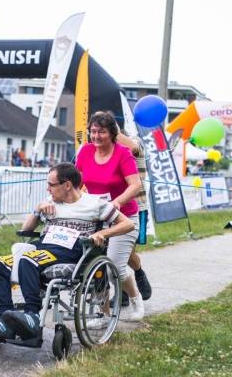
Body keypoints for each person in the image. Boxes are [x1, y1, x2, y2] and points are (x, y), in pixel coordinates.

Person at [0, 163, 134, 340]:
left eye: (51, 184)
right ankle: (3, 320)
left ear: (67, 185)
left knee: (28, 260)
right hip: (43, 248)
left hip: (71, 250)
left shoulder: (95, 204)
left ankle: (32, 317)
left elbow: (128, 224)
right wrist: (38, 210)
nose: (47, 189)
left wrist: (102, 233)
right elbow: (26, 229)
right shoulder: (50, 203)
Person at [76, 111, 144, 321]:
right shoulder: (85, 151)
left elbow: (135, 185)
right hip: (96, 216)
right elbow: (77, 183)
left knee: (115, 266)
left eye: (101, 132)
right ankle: (102, 312)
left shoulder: (123, 153)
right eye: (93, 131)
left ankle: (135, 298)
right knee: (93, 266)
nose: (96, 136)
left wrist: (117, 202)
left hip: (123, 218)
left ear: (112, 133)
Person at [115, 126, 152, 306]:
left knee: (127, 253)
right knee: (110, 251)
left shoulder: (135, 143)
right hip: (113, 208)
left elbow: (134, 147)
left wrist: (112, 132)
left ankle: (139, 273)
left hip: (137, 207)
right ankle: (121, 293)